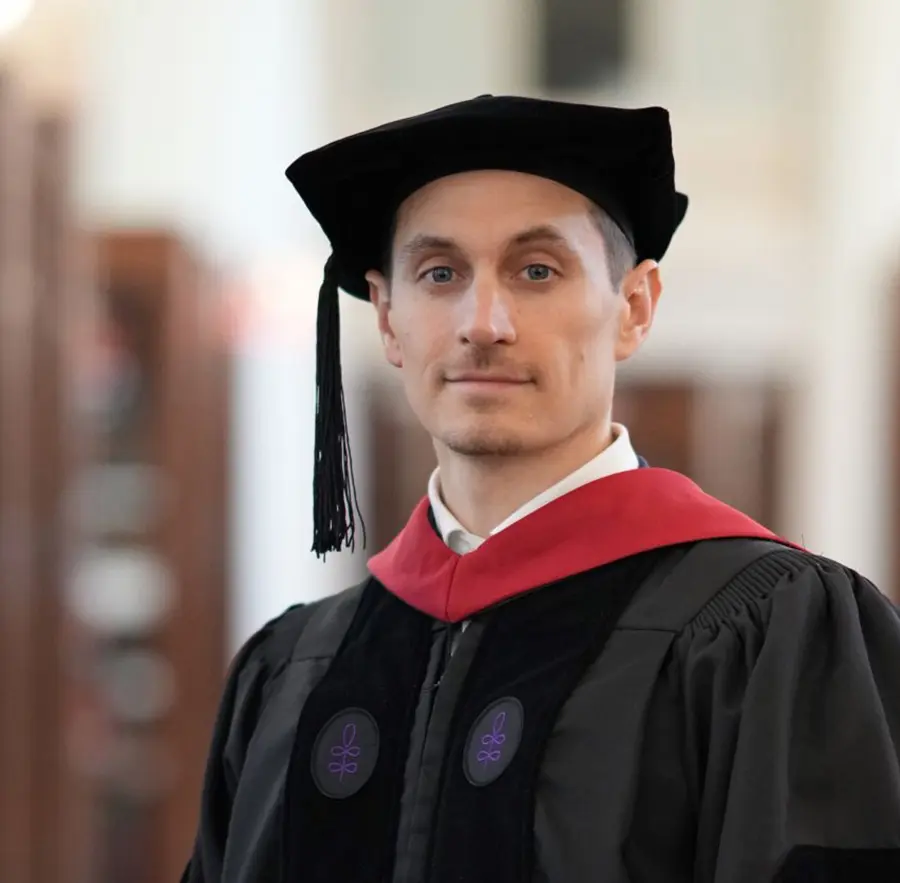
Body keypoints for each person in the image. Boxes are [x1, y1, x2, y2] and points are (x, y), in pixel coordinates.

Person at [181, 96, 900, 883]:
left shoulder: (769, 633)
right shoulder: (291, 670)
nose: (483, 321)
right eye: (440, 273)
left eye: (536, 271)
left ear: (634, 307)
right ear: (387, 317)